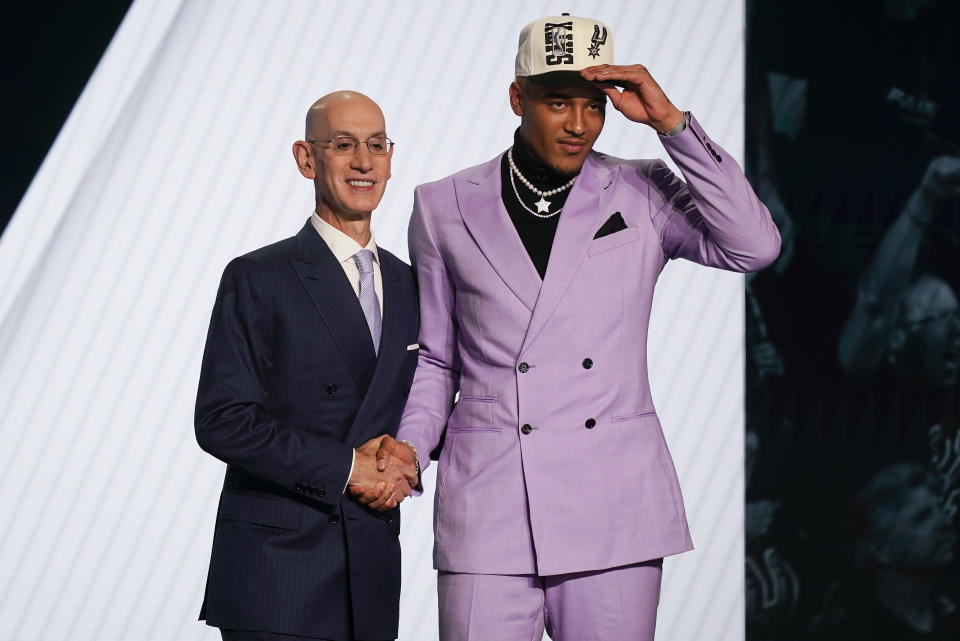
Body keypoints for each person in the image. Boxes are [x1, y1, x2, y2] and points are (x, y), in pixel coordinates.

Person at [356, 14, 780, 640]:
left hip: (613, 504)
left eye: (592, 105)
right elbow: (439, 360)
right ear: (517, 98)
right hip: (489, 504)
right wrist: (411, 447)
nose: (579, 125)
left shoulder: (643, 189)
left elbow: (755, 247)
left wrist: (673, 125)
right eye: (558, 103)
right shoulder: (442, 204)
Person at [195, 91, 419, 641]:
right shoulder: (259, 276)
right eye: (343, 145)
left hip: (370, 563)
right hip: (278, 569)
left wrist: (407, 460)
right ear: (306, 159)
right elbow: (223, 418)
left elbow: (430, 397)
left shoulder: (414, 285)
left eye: (376, 145)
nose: (364, 162)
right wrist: (347, 468)